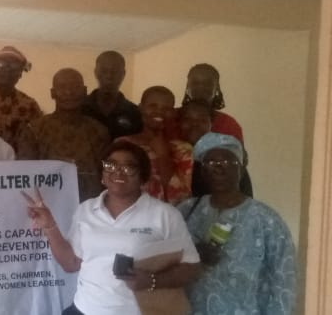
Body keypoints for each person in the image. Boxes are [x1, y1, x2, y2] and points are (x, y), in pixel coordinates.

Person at [25, 141, 202, 315]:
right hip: (85, 309)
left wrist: (152, 281)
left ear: (143, 177)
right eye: (111, 165)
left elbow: (191, 266)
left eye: (129, 167)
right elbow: (71, 264)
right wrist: (49, 225)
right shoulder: (86, 210)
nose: (118, 171)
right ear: (102, 175)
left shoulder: (165, 214)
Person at [179, 133, 296, 315]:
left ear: (241, 169)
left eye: (226, 162)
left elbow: (284, 282)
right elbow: (164, 258)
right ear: (202, 172)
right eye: (210, 163)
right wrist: (192, 253)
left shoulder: (267, 220)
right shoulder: (185, 211)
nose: (218, 168)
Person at [18, 68, 109, 201]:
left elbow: (107, 176)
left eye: (75, 87)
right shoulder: (34, 130)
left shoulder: (99, 131)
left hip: (89, 207)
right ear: (52, 93)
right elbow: (24, 175)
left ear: (84, 91)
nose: (69, 92)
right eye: (62, 87)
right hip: (47, 205)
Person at [177, 63, 252, 196]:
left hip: (217, 192)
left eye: (207, 83)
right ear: (188, 86)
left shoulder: (229, 124)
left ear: (216, 87)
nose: (201, 88)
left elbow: (238, 164)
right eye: (195, 83)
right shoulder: (173, 117)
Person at [115, 86, 193, 204]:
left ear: (173, 113)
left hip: (166, 214)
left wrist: (163, 155)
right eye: (152, 106)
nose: (159, 112)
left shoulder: (183, 150)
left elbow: (179, 197)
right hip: (128, 212)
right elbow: (116, 186)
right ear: (140, 108)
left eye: (166, 108)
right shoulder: (123, 144)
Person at [0, 46, 43, 150]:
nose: (7, 70)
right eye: (1, 64)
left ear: (20, 74)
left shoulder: (30, 105)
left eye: (14, 67)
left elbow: (36, 141)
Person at [82, 51, 143, 139]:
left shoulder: (134, 113)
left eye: (115, 71)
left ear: (123, 74)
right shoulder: (80, 108)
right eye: (104, 71)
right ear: (96, 72)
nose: (109, 76)